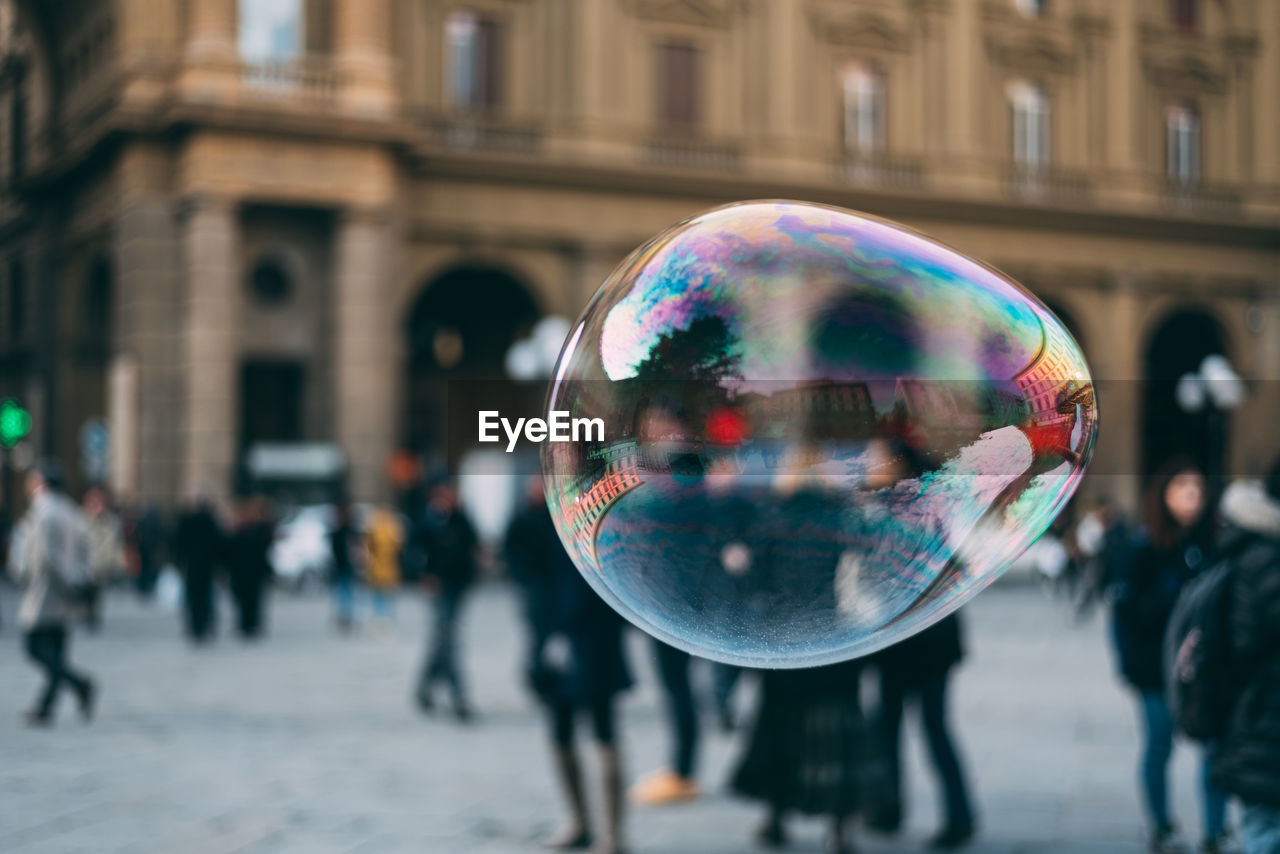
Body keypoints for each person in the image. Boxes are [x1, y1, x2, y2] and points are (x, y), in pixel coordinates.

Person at [1112, 459, 1230, 854]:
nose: (1191, 500)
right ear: (1162, 494)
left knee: (1214, 747)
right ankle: (1161, 826)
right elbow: (1125, 615)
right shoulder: (1143, 548)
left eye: (1197, 491)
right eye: (1182, 490)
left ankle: (1215, 830)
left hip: (1206, 670)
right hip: (1155, 670)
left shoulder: (1212, 546)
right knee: (1159, 744)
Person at [537, 517, 631, 854]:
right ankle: (579, 822)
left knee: (604, 730)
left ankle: (612, 835)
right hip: (557, 638)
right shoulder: (544, 520)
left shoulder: (602, 521)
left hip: (595, 643)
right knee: (561, 730)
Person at [731, 658, 871, 854]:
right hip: (791, 667)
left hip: (829, 668)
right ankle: (778, 817)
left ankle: (838, 828)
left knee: (831, 748)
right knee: (783, 740)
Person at [1212, 460, 1280, 853]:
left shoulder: (1255, 551)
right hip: (1265, 730)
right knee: (1265, 832)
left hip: (1255, 727)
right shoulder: (1266, 560)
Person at [870, 612, 977, 848]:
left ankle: (891, 810)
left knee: (905, 729)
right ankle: (959, 816)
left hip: (903, 645)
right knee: (927, 729)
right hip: (926, 645)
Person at [8, 461, 97, 727]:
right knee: (57, 652)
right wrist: (79, 579)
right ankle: (46, 707)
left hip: (47, 591)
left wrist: (27, 575)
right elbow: (84, 550)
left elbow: (46, 556)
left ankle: (80, 683)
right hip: (64, 592)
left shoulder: (44, 513)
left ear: (40, 483)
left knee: (35, 648)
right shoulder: (71, 511)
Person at [414, 479, 479, 721]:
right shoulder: (427, 520)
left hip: (458, 587)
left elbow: (472, 544)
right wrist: (422, 576)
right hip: (438, 588)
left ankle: (424, 687)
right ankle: (458, 695)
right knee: (448, 640)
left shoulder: (461, 518)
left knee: (443, 639)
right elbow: (414, 551)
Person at [629, 640, 702, 804]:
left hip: (674, 621)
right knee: (678, 689)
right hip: (686, 621)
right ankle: (681, 769)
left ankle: (682, 772)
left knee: (677, 690)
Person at [504, 477, 556, 693]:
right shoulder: (522, 518)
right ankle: (538, 677)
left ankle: (549, 676)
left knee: (551, 633)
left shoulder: (550, 517)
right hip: (534, 585)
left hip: (551, 584)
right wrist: (522, 575)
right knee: (537, 633)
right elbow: (510, 551)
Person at [172, 491, 226, 644]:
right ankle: (203, 624)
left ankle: (197, 626)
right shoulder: (209, 521)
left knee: (195, 597)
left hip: (193, 565)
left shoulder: (187, 520)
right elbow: (219, 544)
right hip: (205, 565)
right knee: (204, 597)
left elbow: (177, 543)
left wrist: (179, 561)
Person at [227, 495, 275, 640]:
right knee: (244, 597)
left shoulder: (261, 528)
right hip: (241, 570)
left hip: (253, 569)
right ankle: (246, 623)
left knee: (253, 598)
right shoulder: (241, 528)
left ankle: (251, 624)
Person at [81, 486, 125, 632]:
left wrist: (116, 562)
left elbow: (115, 543)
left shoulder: (110, 521)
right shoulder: (82, 518)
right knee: (87, 592)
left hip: (102, 564)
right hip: (85, 563)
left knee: (97, 592)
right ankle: (87, 614)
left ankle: (93, 616)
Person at [364, 506, 403, 628]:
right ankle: (383, 618)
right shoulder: (390, 529)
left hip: (383, 567)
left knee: (382, 595)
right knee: (384, 595)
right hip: (384, 567)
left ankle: (381, 617)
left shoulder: (378, 530)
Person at [328, 500, 360, 633]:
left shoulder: (346, 530)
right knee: (344, 592)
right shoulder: (341, 531)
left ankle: (346, 616)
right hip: (342, 565)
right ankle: (345, 615)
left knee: (345, 592)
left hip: (345, 565)